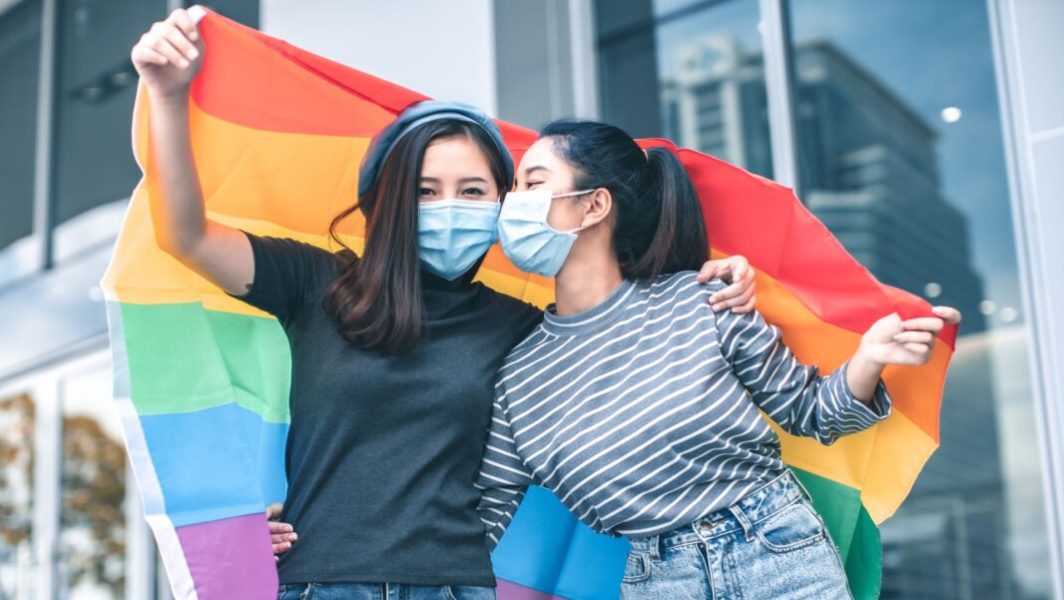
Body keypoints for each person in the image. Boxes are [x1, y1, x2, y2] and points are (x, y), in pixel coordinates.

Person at [130, 11, 757, 599]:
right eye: (425, 191)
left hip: (456, 585)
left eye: (472, 190)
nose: (448, 206)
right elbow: (185, 235)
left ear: (503, 204)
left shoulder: (522, 328)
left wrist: (708, 285)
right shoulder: (317, 283)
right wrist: (167, 92)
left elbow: (637, 357)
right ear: (390, 200)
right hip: (322, 580)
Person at [476, 119, 962, 599]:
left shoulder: (703, 301)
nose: (511, 202)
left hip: (778, 552)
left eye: (532, 183)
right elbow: (482, 511)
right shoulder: (519, 375)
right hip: (658, 581)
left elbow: (810, 412)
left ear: (595, 204)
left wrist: (870, 357)